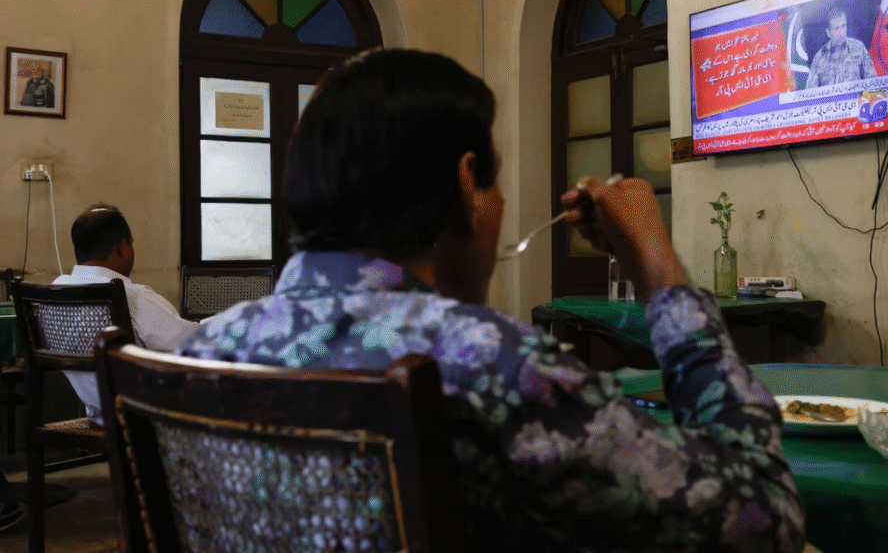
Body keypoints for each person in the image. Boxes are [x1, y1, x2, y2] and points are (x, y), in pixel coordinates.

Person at [181, 48, 805, 553]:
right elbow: (761, 516)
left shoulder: (202, 352)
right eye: (494, 180)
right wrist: (652, 256)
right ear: (464, 177)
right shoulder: (496, 367)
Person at [54, 204, 198, 423]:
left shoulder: (55, 291)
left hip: (98, 414)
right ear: (121, 247)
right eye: (131, 244)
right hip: (144, 417)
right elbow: (189, 344)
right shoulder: (131, 296)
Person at [804, 7, 876, 89]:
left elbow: (872, 81)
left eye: (843, 26)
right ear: (828, 32)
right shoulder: (819, 58)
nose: (841, 33)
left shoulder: (858, 48)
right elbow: (811, 91)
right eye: (836, 28)